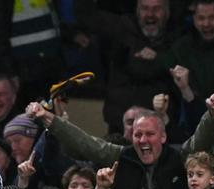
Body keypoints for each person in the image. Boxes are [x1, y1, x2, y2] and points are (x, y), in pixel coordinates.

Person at [25, 94, 214, 189]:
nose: (143, 140)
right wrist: (49, 118)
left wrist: (213, 115)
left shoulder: (177, 157)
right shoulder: (123, 156)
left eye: (150, 134)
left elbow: (200, 142)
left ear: (163, 136)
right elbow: (86, 143)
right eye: (138, 135)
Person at [74, 0, 181, 133]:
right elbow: (86, 15)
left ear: (167, 12)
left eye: (156, 9)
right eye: (145, 8)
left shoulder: (177, 38)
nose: (150, 14)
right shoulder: (121, 27)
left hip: (161, 125)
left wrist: (158, 59)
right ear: (137, 11)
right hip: (120, 123)